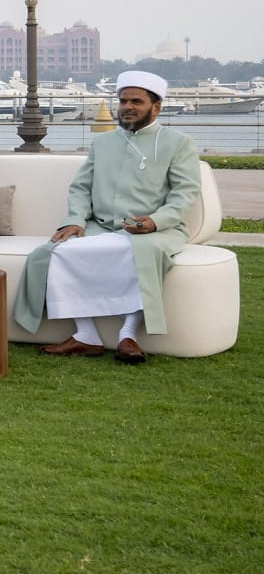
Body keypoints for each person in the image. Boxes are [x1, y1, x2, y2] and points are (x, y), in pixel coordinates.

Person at [15, 71, 200, 365]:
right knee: (54, 252)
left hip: (154, 230)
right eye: (123, 100)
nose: (127, 107)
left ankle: (128, 335)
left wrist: (155, 221)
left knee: (142, 253)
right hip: (98, 226)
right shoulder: (102, 143)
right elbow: (80, 188)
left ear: (156, 106)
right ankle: (85, 335)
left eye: (136, 101)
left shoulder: (178, 143)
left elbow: (185, 193)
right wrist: (74, 220)